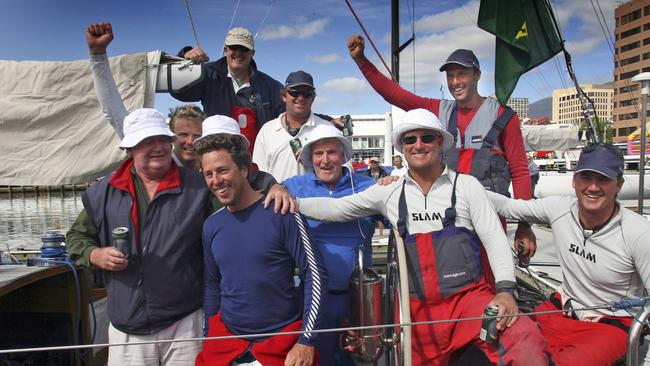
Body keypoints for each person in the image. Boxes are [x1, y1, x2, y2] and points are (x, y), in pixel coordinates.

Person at [283, 108, 548, 365]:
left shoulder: (467, 187)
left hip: (468, 303)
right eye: (410, 139)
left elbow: (494, 238)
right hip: (415, 312)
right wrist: (289, 200)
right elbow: (336, 209)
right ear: (402, 146)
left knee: (523, 337)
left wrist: (505, 291)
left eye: (427, 137)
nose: (418, 145)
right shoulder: (387, 192)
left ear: (441, 142)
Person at [347, 34, 536, 256]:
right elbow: (395, 95)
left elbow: (521, 173)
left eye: (462, 74)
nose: (455, 82)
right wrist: (361, 60)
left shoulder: (504, 117)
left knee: (492, 286)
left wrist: (525, 225)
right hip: (445, 225)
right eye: (450, 76)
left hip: (489, 224)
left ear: (477, 75)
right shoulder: (438, 110)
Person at [66, 108, 211, 365]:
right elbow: (77, 239)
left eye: (162, 140)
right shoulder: (102, 193)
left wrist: (272, 187)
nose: (157, 148)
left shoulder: (199, 189)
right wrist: (95, 254)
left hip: (184, 322)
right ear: (130, 149)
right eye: (146, 142)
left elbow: (237, 203)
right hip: (127, 327)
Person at [487, 143, 650, 365]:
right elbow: (508, 207)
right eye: (586, 177)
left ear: (619, 185)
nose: (593, 187)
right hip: (559, 310)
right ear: (574, 181)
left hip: (610, 326)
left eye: (603, 179)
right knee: (496, 339)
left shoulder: (639, 233)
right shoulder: (560, 208)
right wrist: (459, 184)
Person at [194, 132, 327, 366]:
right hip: (227, 346)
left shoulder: (282, 212)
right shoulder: (211, 225)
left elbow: (315, 276)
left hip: (281, 346)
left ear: (244, 170)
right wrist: (209, 335)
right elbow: (212, 284)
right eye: (208, 174)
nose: (216, 180)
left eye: (223, 170)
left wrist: (307, 340)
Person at [282, 124, 376, 365]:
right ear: (310, 158)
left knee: (360, 361)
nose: (325, 160)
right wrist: (272, 186)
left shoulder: (369, 186)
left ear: (343, 155)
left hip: (359, 298)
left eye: (331, 152)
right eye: (318, 154)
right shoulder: (292, 186)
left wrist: (393, 183)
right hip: (313, 298)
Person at [86, 22, 207, 170]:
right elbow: (113, 110)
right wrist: (98, 55)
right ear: (170, 137)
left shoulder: (212, 171)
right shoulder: (158, 164)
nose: (190, 141)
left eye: (197, 135)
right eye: (183, 134)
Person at [174, 27, 284, 148]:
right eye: (234, 48)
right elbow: (179, 91)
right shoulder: (207, 74)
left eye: (244, 49)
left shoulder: (271, 86)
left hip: (257, 158)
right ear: (226, 50)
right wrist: (184, 59)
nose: (238, 53)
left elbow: (286, 119)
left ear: (252, 53)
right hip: (216, 153)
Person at [252, 70, 332, 181]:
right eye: (294, 92)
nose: (300, 98)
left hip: (317, 198)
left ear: (312, 98)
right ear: (284, 96)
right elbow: (258, 174)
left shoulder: (328, 129)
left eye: (307, 94)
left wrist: (317, 159)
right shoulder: (267, 130)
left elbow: (346, 170)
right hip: (277, 198)